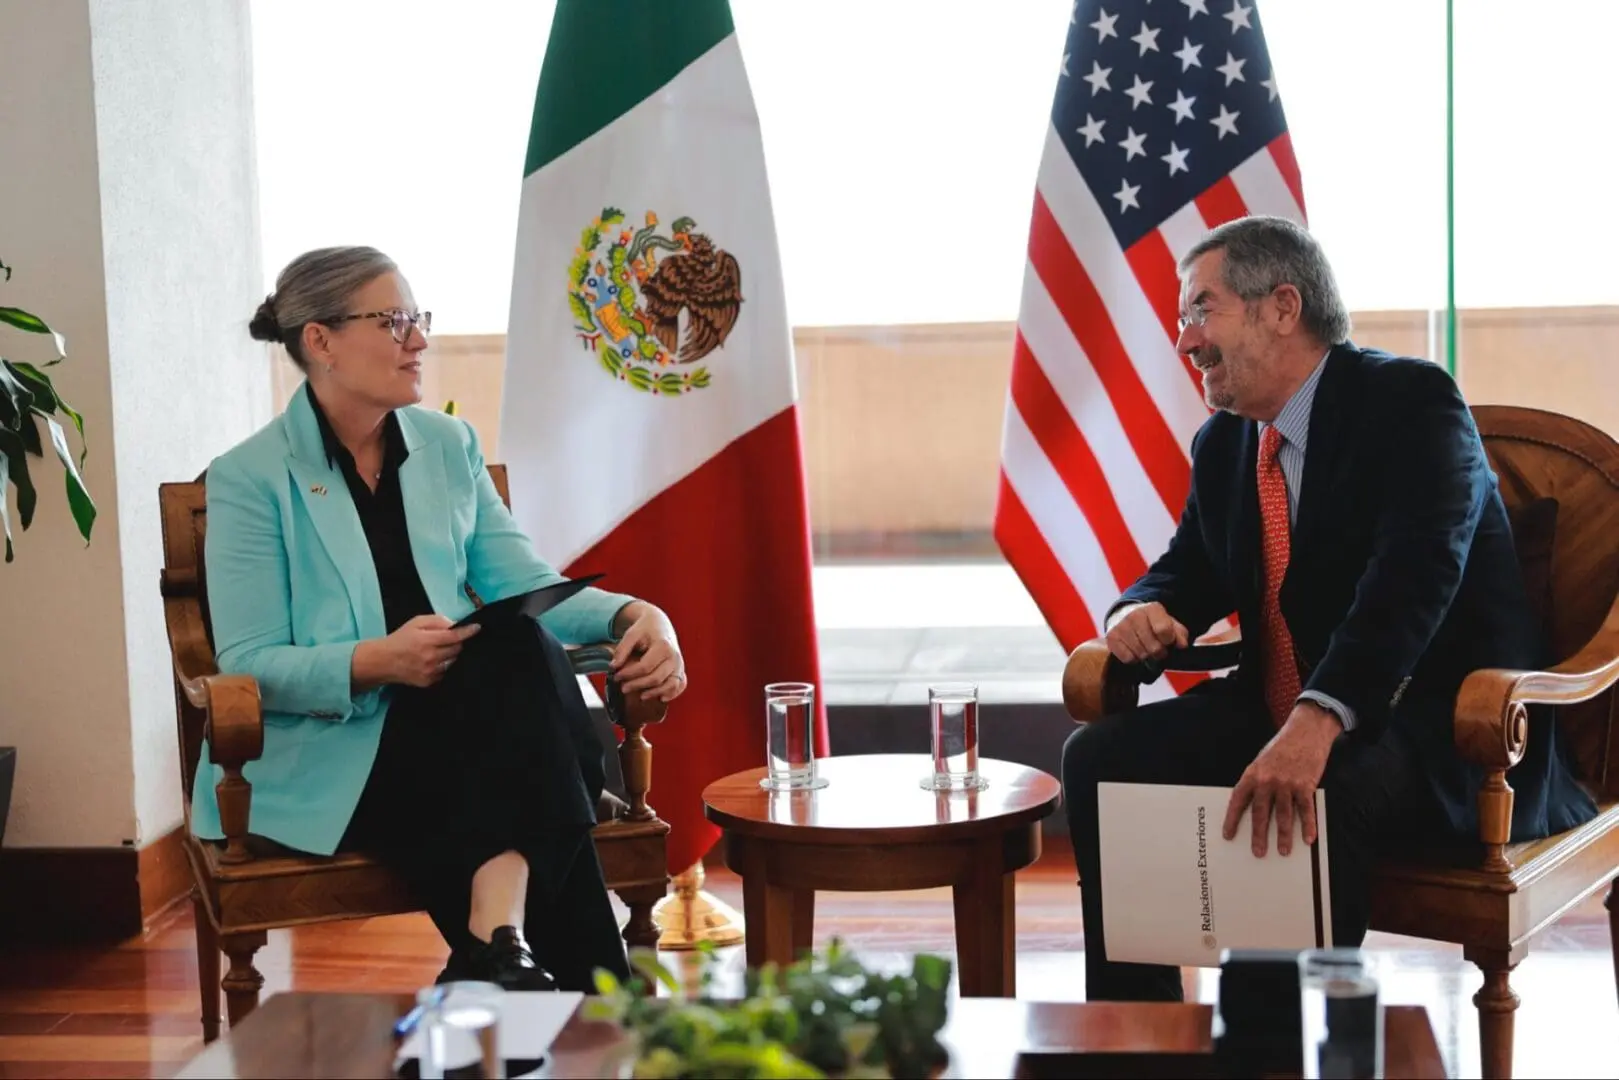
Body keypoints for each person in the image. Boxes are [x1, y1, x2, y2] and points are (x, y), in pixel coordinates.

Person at [1061, 215, 1597, 1002]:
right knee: (1096, 760)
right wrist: (1137, 611)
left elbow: (1411, 582)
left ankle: (1266, 1046)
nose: (1184, 341)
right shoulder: (1225, 444)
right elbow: (1187, 572)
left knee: (1318, 787)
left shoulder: (1410, 403)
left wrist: (1316, 721)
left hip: (1442, 734)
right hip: (1282, 712)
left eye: (1199, 311)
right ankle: (1136, 1038)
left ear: (1281, 306)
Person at [188, 245, 688, 992]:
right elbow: (248, 661)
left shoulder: (448, 447)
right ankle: (585, 1009)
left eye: (417, 318)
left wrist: (634, 614)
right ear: (319, 341)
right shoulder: (249, 478)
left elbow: (527, 584)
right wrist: (374, 662)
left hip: (470, 732)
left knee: (515, 644)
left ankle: (496, 945)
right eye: (393, 321)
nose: (418, 338)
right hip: (338, 750)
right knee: (537, 767)